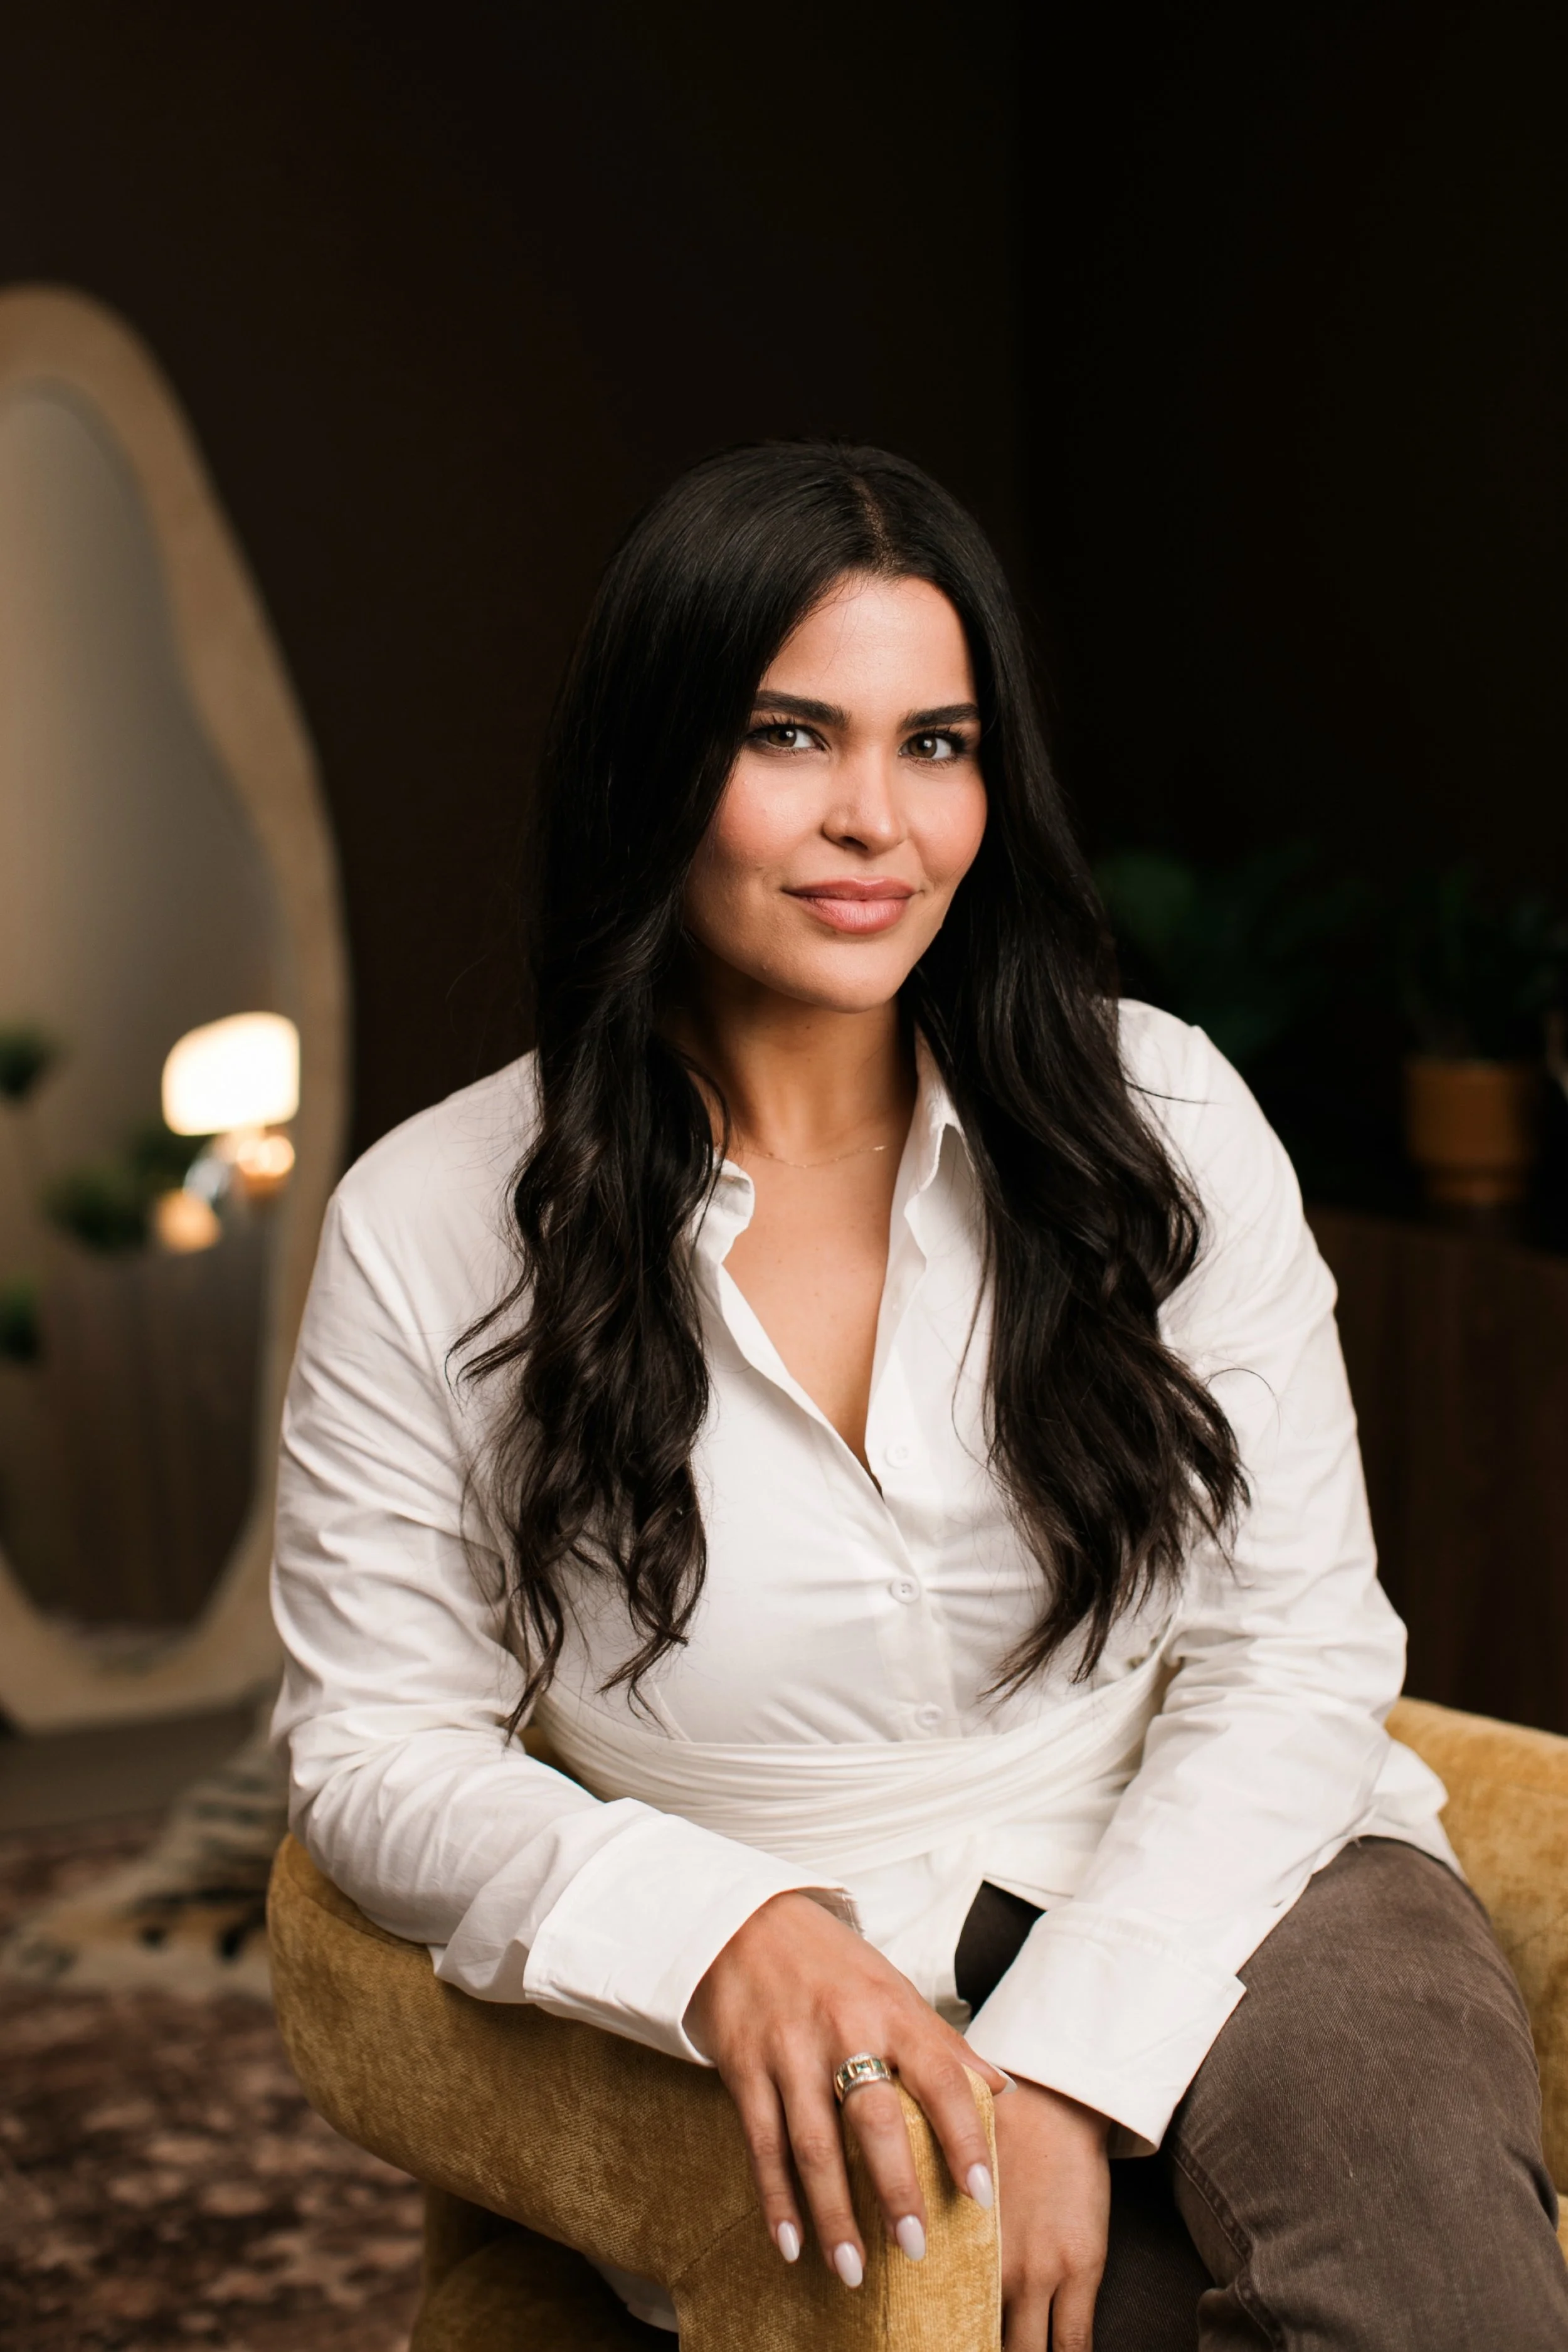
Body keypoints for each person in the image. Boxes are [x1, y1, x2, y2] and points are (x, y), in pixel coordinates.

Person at [272, 443, 1567, 2348]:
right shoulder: (430, 1220)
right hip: (817, 1990)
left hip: (1249, 1871)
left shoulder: (1165, 1115)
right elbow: (376, 1746)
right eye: (791, 734)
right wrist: (717, 1929)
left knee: (1437, 2299)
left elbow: (1293, 1644)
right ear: (653, 767)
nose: (875, 817)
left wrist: (1067, 2060)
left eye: (934, 743)